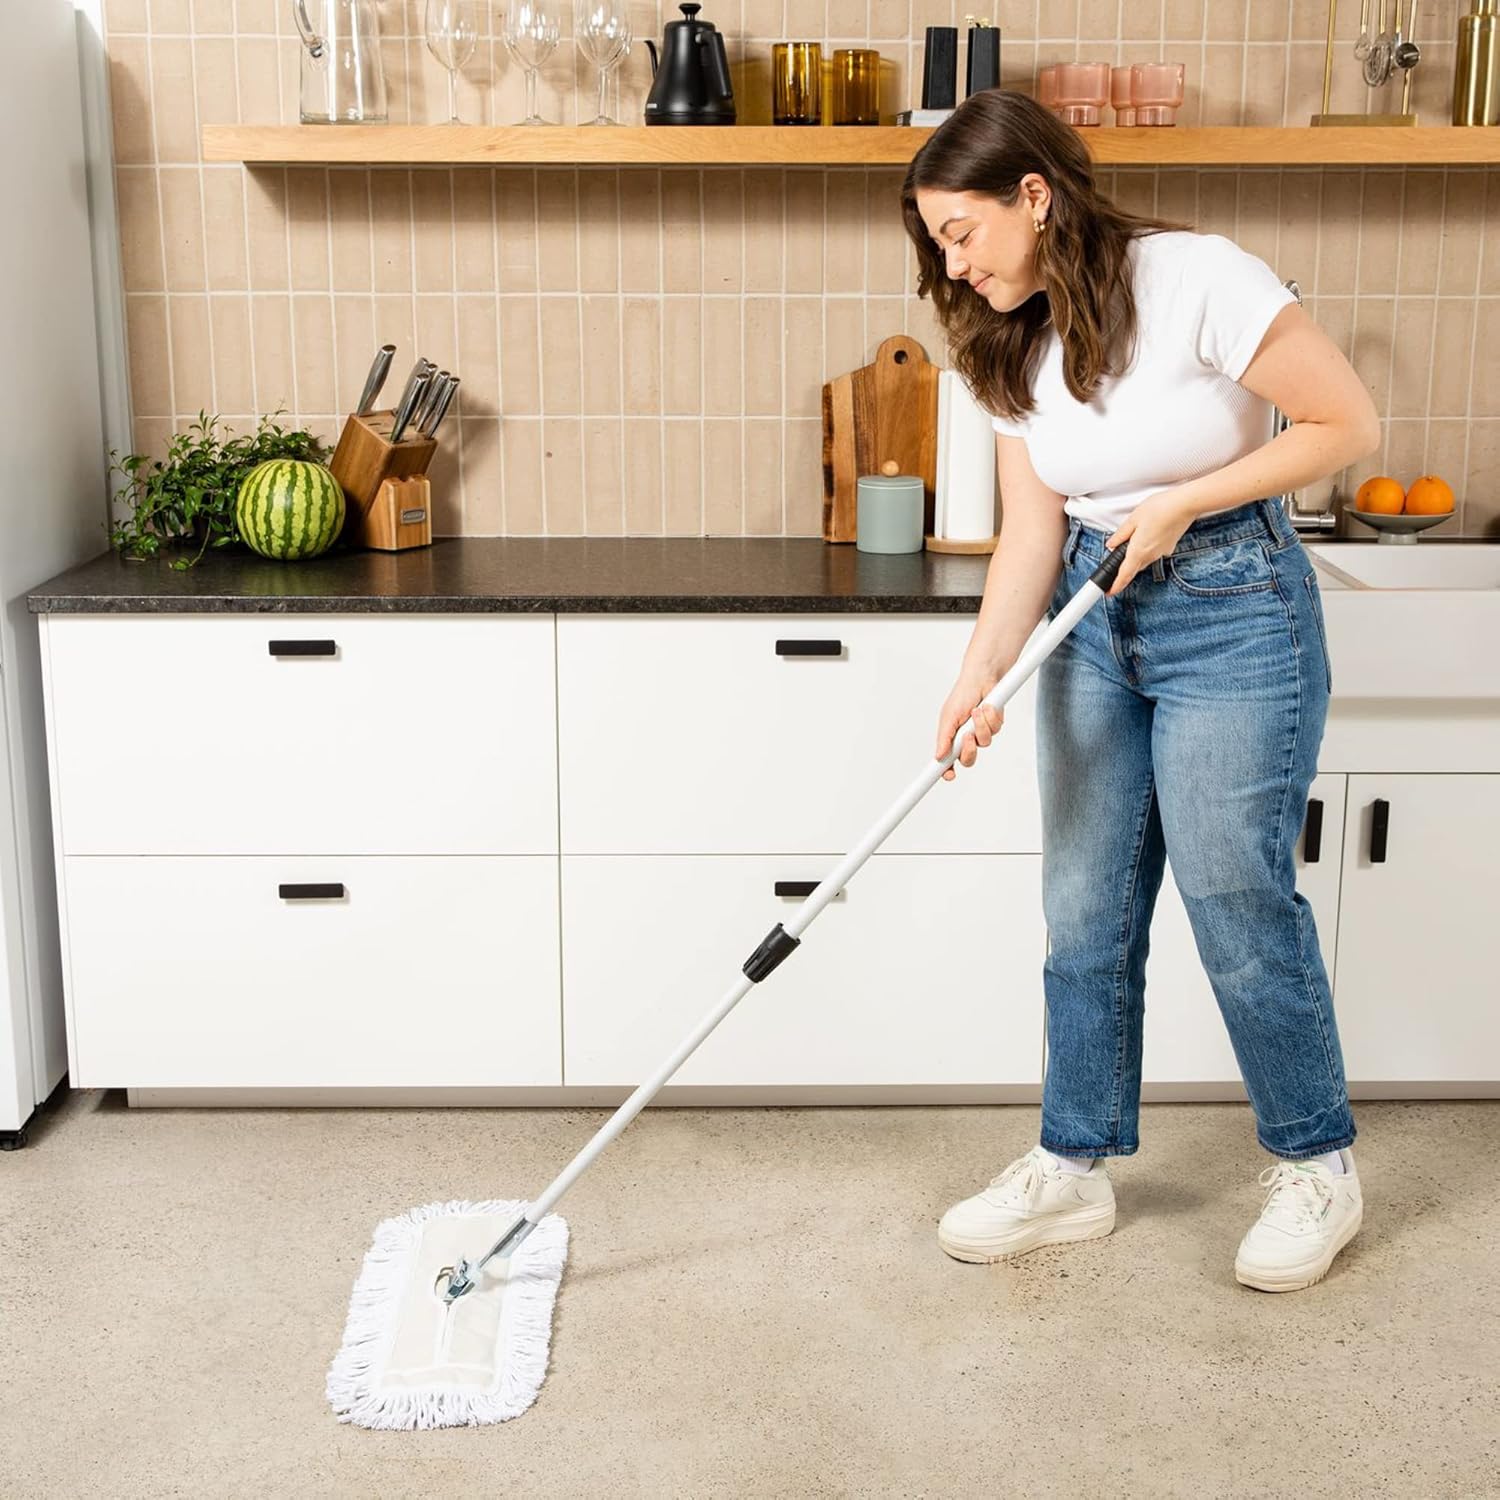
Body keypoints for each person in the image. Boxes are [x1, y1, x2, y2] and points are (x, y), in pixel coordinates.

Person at [902, 90, 1379, 1293]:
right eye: (936, 244)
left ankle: (1318, 1164)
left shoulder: (1198, 277)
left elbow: (1344, 422)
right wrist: (979, 675)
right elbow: (1031, 530)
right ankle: (1074, 1161)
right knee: (1085, 906)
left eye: (960, 233)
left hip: (1234, 607)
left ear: (1034, 195)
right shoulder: (1005, 339)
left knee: (1235, 896)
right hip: (1090, 613)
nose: (951, 266)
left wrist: (1184, 503)